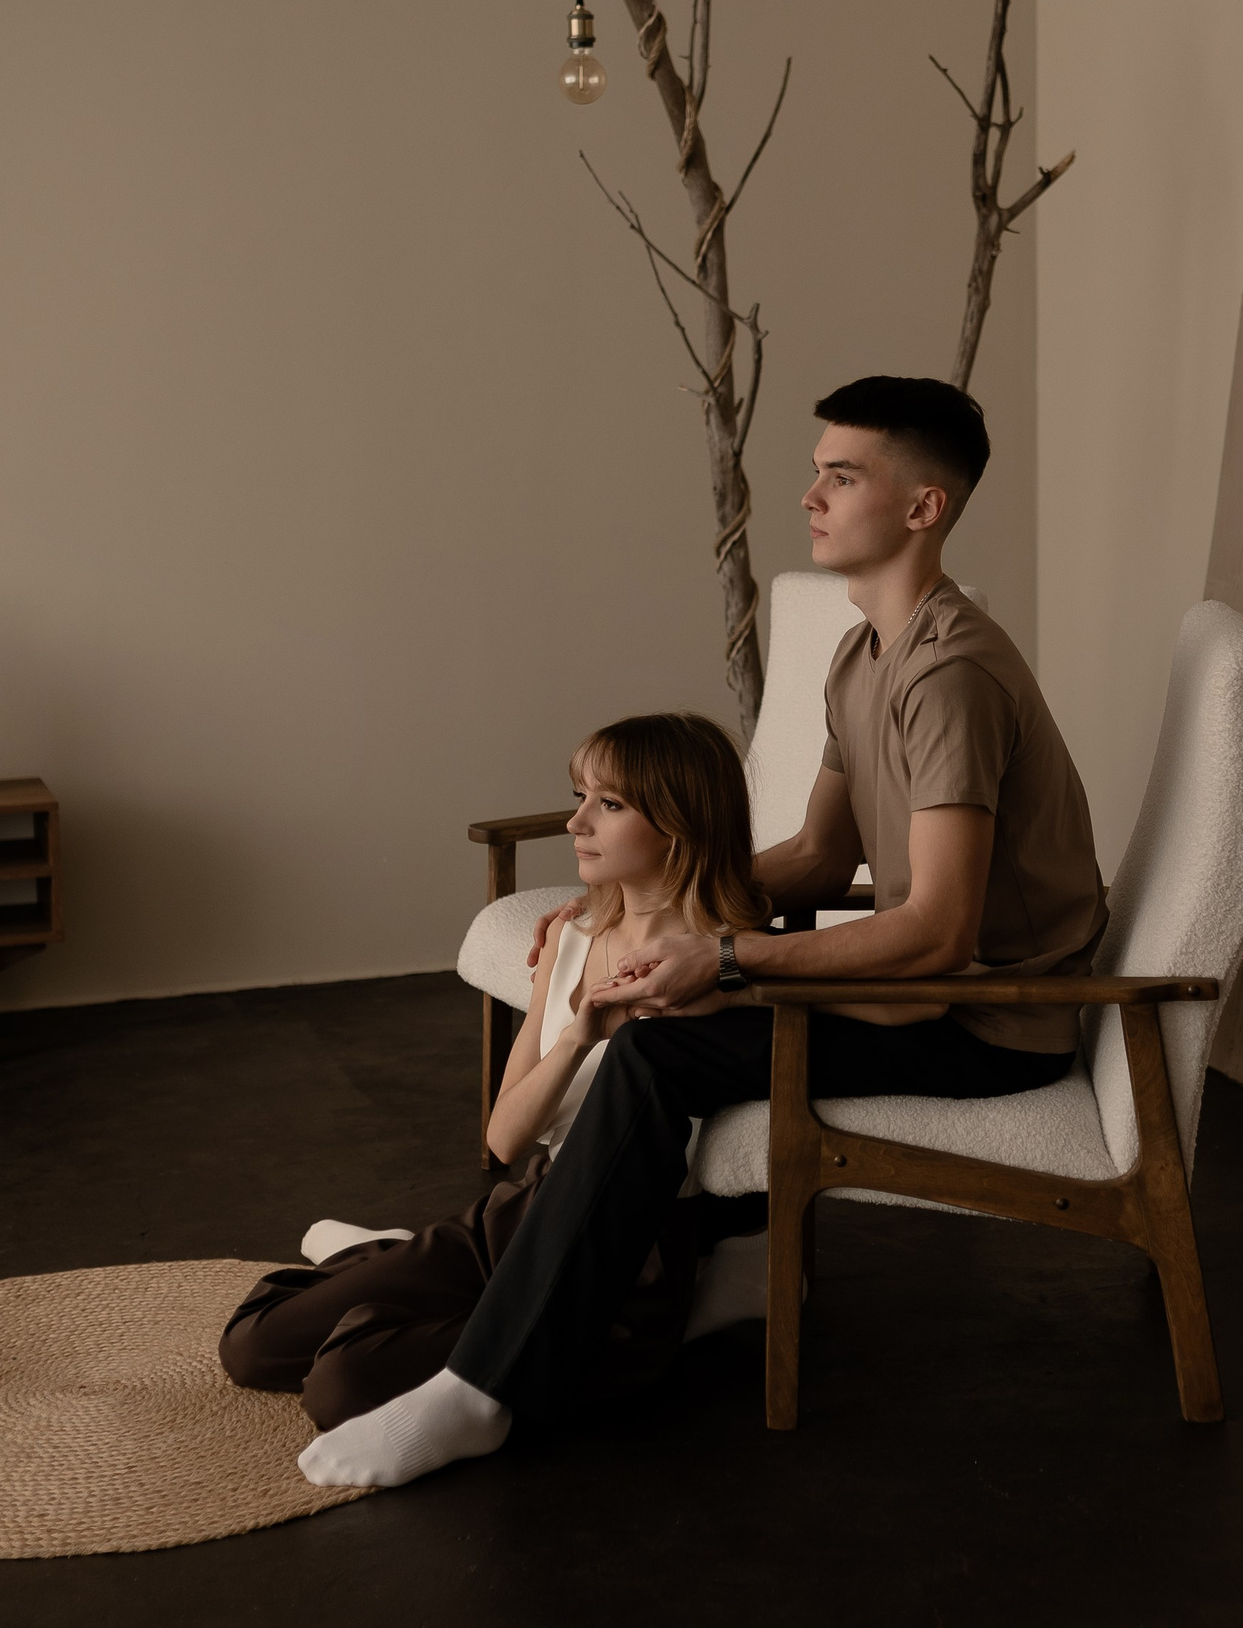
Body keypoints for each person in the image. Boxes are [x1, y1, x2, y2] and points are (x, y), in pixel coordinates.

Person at [296, 374, 1109, 1492]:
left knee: (659, 1052)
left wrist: (723, 956)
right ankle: (534, 1252)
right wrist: (636, 906)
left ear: (925, 507)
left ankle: (485, 1384)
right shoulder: (862, 655)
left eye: (842, 476)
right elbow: (816, 857)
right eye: (816, 473)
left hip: (988, 1022)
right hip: (918, 990)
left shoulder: (951, 675)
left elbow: (936, 930)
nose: (810, 497)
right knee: (660, 1025)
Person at [219, 713, 771, 1459]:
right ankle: (390, 1258)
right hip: (520, 1211)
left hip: (621, 1255)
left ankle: (680, 1310)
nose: (575, 822)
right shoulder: (571, 937)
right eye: (580, 796)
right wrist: (578, 1035)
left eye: (609, 804)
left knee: (342, 1384)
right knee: (253, 1346)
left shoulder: (725, 971)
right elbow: (505, 1139)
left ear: (681, 825)